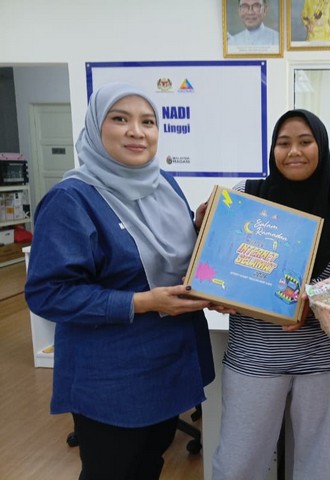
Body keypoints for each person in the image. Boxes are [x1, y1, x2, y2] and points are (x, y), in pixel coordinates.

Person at [24, 82, 228, 480]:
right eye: (120, 119)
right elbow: (49, 293)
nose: (137, 131)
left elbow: (164, 255)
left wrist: (200, 229)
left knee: (149, 465)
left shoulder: (163, 184)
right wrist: (142, 302)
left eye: (148, 122)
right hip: (112, 380)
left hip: (169, 363)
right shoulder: (72, 200)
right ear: (96, 127)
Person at [211, 109, 330, 480]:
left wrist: (316, 300)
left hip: (321, 358)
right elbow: (219, 261)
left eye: (305, 142)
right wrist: (216, 287)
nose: (294, 151)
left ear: (322, 147)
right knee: (238, 465)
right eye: (283, 142)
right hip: (254, 357)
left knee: (317, 466)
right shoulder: (247, 198)